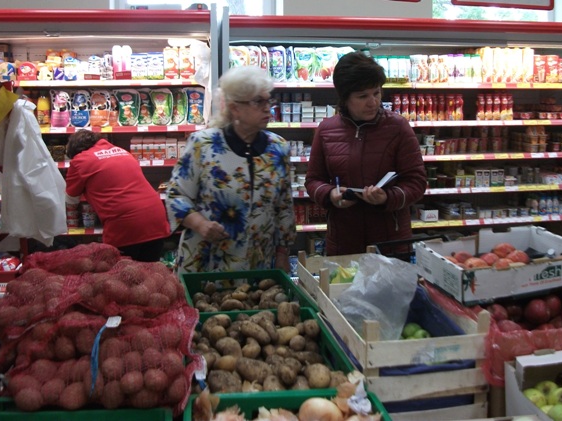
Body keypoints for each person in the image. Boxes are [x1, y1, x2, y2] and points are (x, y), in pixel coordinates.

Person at [165, 65, 296, 274]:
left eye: (268, 100)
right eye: (258, 101)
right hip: (206, 262)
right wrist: (200, 224)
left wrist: (282, 254)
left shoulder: (278, 148)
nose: (267, 108)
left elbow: (284, 207)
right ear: (235, 108)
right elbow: (176, 194)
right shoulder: (203, 144)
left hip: (259, 263)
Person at [305, 51, 427, 257]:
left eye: (376, 93)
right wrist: (330, 195)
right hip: (343, 243)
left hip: (390, 244)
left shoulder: (398, 127)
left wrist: (387, 198)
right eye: (362, 96)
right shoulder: (326, 130)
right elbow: (313, 181)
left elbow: (417, 182)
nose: (373, 102)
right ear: (345, 98)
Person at [65, 130, 170, 261]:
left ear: (75, 151)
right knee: (150, 270)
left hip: (125, 224)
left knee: (121, 272)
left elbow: (71, 199)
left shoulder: (80, 161)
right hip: (156, 217)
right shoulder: (122, 151)